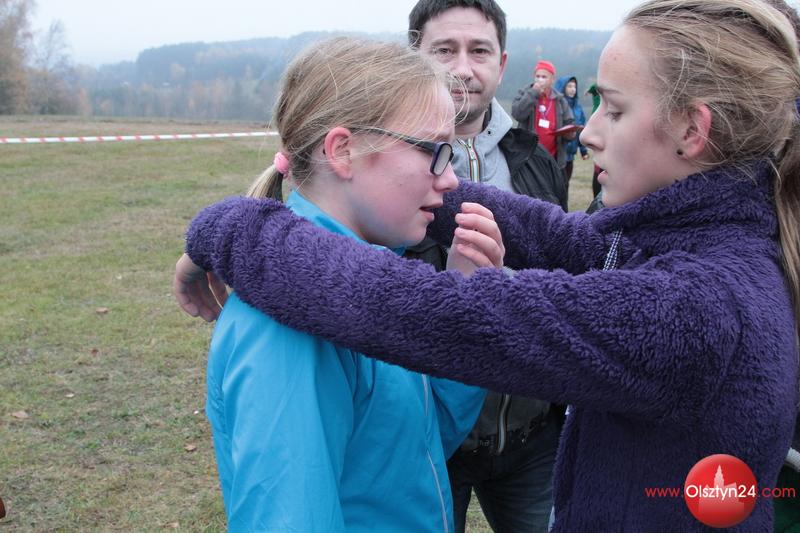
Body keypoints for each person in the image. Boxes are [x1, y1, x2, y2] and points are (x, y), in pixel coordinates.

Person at [175, 0, 800, 530]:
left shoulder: (700, 305)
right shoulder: (672, 244)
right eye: (433, 153)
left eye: (613, 108)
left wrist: (235, 227)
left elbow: (422, 313)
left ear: (692, 130)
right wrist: (413, 187)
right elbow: (547, 232)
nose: (588, 133)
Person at [199, 37, 508, 532]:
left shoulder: (368, 286)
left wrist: (461, 304)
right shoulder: (290, 324)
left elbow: (418, 445)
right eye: (434, 151)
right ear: (343, 151)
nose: (450, 179)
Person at [404, 2, 566, 532]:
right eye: (444, 50)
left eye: (478, 51)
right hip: (426, 441)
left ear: (502, 62)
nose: (462, 69)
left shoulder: (537, 161)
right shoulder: (387, 162)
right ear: (414, 55)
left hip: (533, 439)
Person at [511, 60, 575, 174]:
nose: (540, 80)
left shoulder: (560, 100)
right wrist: (533, 93)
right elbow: (518, 114)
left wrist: (570, 134)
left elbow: (569, 123)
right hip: (528, 159)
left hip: (553, 160)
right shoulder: (525, 93)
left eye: (544, 77)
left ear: (552, 79)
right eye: (537, 76)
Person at [554, 75, 589, 193]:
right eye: (569, 86)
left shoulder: (578, 108)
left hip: (570, 155)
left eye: (574, 86)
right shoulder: (556, 105)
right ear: (562, 87)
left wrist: (583, 150)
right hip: (557, 153)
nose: (573, 89)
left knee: (565, 185)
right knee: (555, 185)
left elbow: (581, 130)